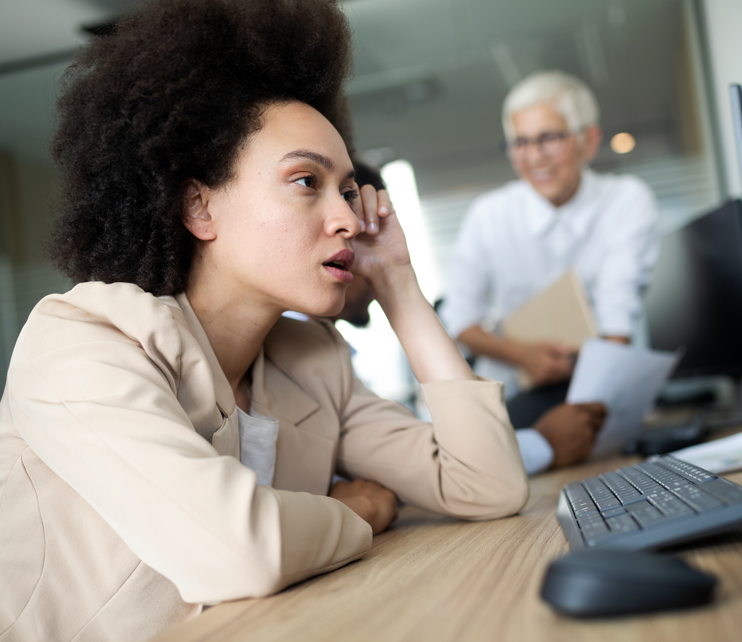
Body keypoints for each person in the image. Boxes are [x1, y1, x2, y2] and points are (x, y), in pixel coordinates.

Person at [0, 1, 528, 640]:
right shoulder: (81, 345)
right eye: (306, 181)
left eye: (348, 192)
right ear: (199, 206)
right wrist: (354, 509)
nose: (347, 219)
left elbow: (488, 485)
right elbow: (239, 552)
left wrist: (398, 285)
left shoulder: (311, 360)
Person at [441, 70, 659, 474]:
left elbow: (618, 308)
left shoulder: (627, 201)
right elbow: (461, 321)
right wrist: (523, 355)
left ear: (588, 140)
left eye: (549, 138)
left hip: (596, 395)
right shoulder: (489, 216)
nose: (534, 156)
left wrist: (594, 400)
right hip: (518, 404)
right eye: (520, 143)